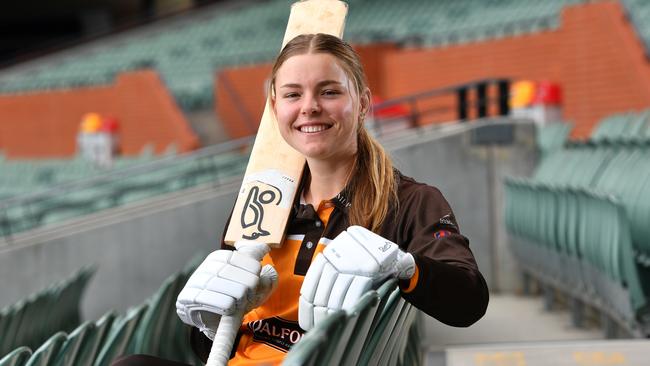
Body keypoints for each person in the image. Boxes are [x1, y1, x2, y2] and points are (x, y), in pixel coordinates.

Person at [113, 33, 488, 366]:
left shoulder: (409, 201)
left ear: (361, 102)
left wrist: (405, 266)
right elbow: (218, 348)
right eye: (293, 94)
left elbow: (469, 301)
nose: (309, 106)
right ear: (275, 108)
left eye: (329, 91)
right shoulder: (260, 203)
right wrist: (211, 326)